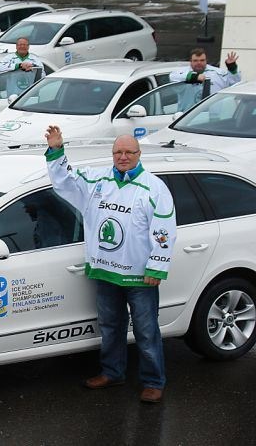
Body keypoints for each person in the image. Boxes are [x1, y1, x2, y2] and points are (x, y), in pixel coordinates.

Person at [44, 126, 176, 404]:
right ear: (112, 154)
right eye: (118, 151)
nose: (123, 156)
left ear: (139, 154)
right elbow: (65, 181)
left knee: (146, 330)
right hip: (105, 271)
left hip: (139, 276)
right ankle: (112, 372)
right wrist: (56, 150)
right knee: (110, 326)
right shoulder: (97, 180)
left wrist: (157, 266)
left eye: (129, 152)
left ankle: (153, 382)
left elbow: (164, 230)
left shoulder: (154, 188)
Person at [169, 48, 240, 110]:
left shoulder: (218, 73)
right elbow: (172, 77)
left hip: (213, 118)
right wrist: (194, 77)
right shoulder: (182, 73)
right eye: (195, 60)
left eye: (202, 60)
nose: (199, 63)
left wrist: (232, 67)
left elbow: (235, 85)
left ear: (206, 60)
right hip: (187, 118)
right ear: (190, 61)